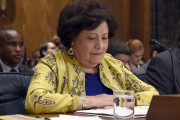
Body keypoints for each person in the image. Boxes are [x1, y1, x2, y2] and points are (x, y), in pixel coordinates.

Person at [25, 0, 159, 113]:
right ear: (72, 38)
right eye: (91, 38)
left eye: (105, 38)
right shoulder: (53, 63)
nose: (100, 46)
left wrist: (124, 101)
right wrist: (92, 100)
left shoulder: (111, 64)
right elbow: (35, 100)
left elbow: (152, 93)